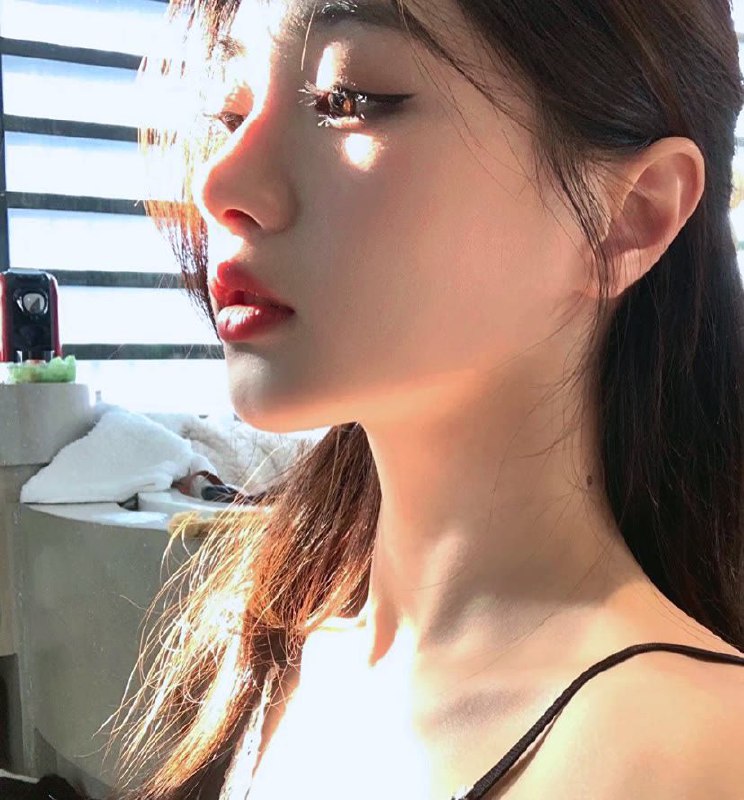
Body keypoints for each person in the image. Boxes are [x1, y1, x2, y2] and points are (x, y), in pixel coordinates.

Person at [108, 0, 744, 798]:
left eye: (346, 98)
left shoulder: (698, 754)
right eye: (230, 113)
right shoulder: (266, 658)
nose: (218, 182)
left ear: (631, 215)